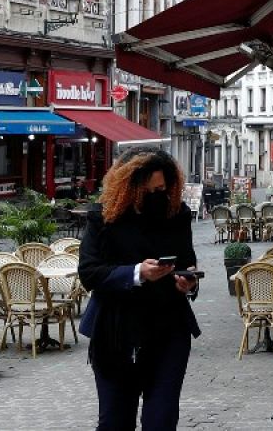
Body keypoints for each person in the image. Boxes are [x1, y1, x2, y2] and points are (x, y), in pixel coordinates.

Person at [78, 148, 201, 430]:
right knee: (115, 421)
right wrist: (137, 273)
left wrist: (188, 282)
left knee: (161, 419)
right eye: (151, 190)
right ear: (130, 186)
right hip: (115, 331)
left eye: (163, 188)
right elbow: (89, 272)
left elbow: (187, 261)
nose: (159, 195)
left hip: (168, 329)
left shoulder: (176, 213)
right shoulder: (104, 217)